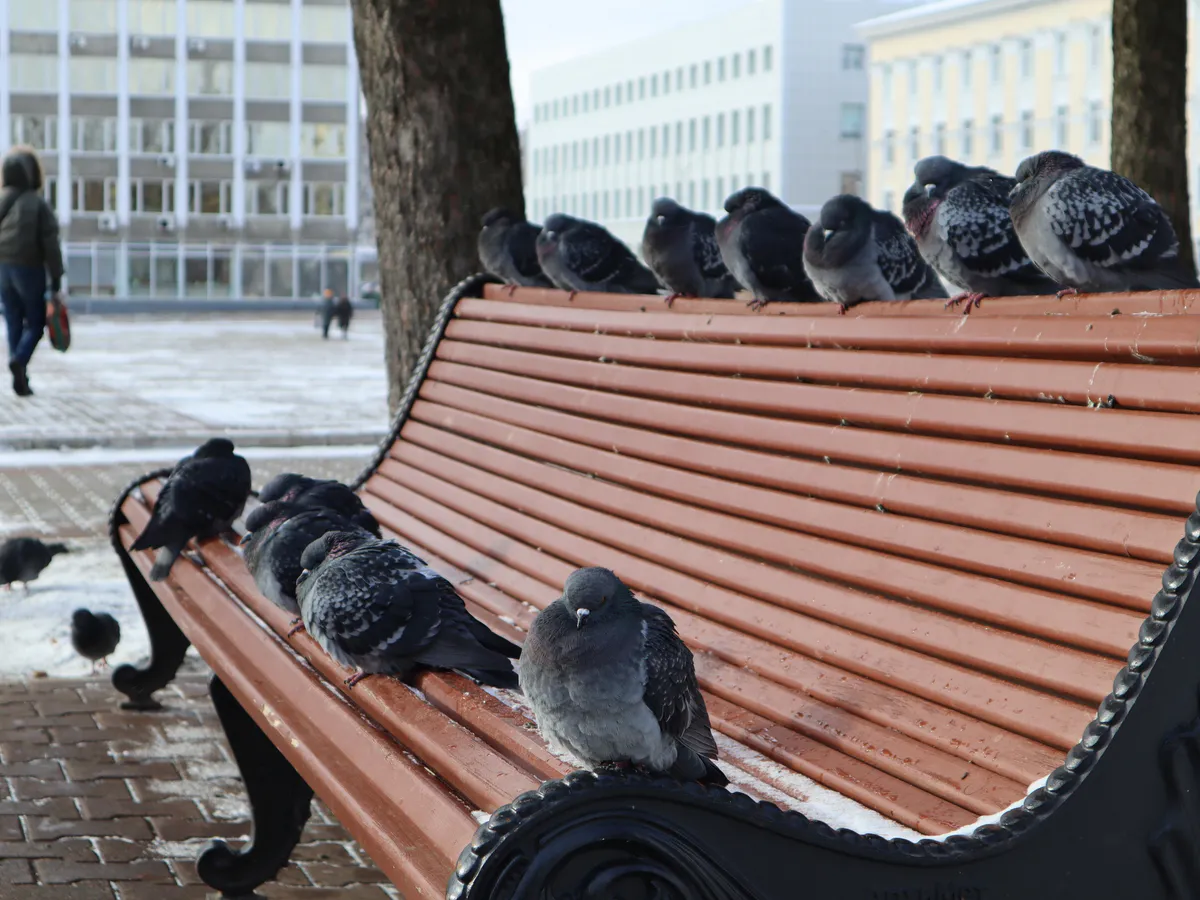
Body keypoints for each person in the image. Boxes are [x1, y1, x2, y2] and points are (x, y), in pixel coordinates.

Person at [0, 146, 63, 397]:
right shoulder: (37, 204)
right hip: (29, 268)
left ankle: (20, 377)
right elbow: (51, 244)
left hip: (3, 270)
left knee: (14, 322)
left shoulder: (2, 201)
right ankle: (20, 361)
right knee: (36, 322)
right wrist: (56, 280)